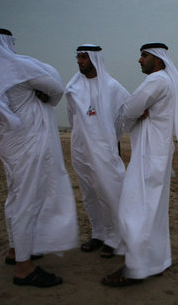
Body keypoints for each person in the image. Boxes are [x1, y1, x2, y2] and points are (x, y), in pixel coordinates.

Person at [0, 28, 78, 288]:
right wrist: (47, 97)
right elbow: (56, 87)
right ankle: (24, 268)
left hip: (12, 142)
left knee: (15, 198)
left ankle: (15, 251)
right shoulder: (18, 67)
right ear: (7, 43)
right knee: (27, 202)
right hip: (30, 143)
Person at [102, 43, 178, 287]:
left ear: (159, 60)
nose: (139, 60)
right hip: (157, 154)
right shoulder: (168, 81)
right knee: (153, 211)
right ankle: (156, 262)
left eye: (144, 56)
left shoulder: (156, 80)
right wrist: (134, 112)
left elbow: (129, 108)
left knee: (135, 209)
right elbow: (134, 110)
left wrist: (129, 112)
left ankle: (134, 268)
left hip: (149, 155)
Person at [65, 44, 129, 258]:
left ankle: (115, 237)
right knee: (89, 192)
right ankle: (98, 233)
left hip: (104, 148)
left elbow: (123, 117)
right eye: (78, 57)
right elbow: (71, 117)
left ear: (94, 59)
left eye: (84, 57)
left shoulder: (113, 87)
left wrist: (108, 140)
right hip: (80, 148)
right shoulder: (72, 87)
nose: (80, 61)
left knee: (110, 190)